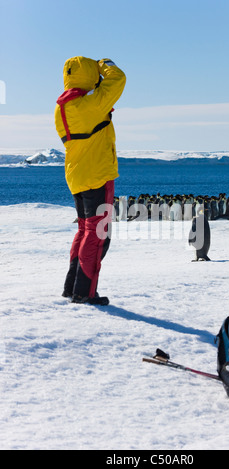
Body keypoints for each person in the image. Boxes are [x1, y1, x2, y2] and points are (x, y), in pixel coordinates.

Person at [54, 56, 126, 304]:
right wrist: (105, 63)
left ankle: (72, 286)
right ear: (89, 75)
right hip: (97, 175)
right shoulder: (91, 105)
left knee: (85, 231)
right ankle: (85, 292)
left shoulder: (62, 107)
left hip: (76, 176)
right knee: (98, 234)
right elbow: (118, 79)